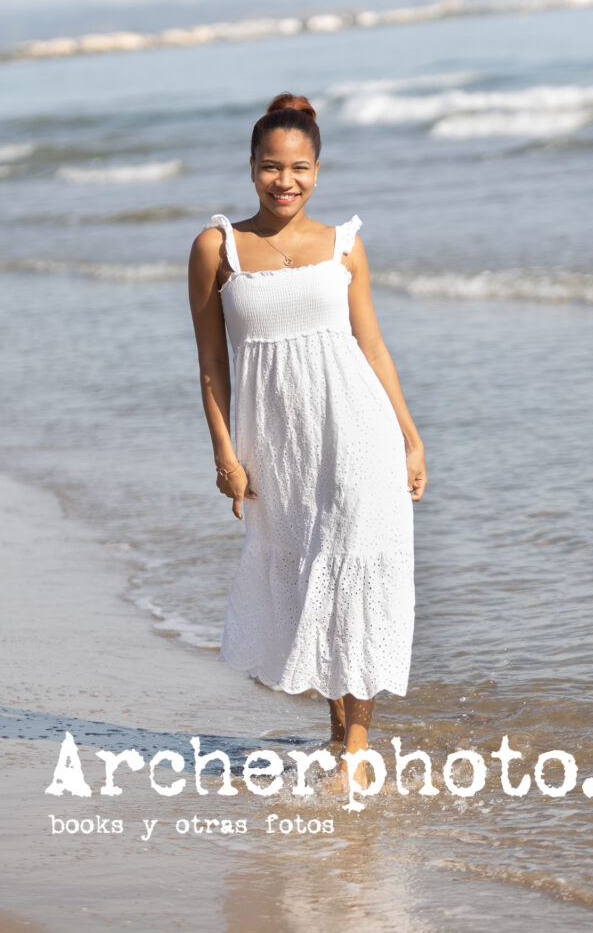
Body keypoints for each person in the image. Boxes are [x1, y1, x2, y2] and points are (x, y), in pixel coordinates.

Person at [188, 92, 427, 792]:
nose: (283, 181)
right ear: (252, 168)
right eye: (270, 167)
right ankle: (335, 729)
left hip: (359, 433)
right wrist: (224, 454)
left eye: (297, 168)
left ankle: (355, 748)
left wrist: (409, 438)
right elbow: (211, 363)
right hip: (278, 445)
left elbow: (373, 348)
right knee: (311, 575)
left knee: (354, 567)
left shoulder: (344, 246)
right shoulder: (217, 248)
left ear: (316, 171)